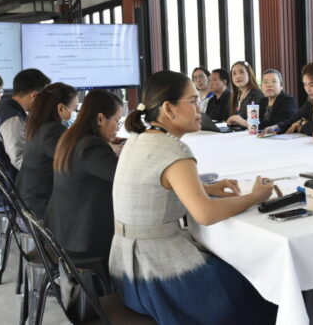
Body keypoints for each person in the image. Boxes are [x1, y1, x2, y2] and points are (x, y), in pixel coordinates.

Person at [110, 70, 277, 324]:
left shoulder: (136, 140)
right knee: (263, 285)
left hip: (125, 273)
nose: (199, 108)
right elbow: (205, 214)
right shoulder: (173, 149)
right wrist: (256, 196)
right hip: (160, 278)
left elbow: (156, 185)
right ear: (169, 109)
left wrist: (206, 188)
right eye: (193, 101)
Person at [46, 89, 123, 266]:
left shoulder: (71, 137)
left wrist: (108, 145)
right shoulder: (91, 147)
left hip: (63, 231)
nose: (117, 128)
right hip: (83, 241)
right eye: (117, 121)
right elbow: (125, 180)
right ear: (100, 119)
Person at [0, 68, 50, 209]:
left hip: (4, 187)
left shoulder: (7, 110)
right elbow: (21, 160)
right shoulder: (11, 118)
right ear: (34, 95)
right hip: (7, 194)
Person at [16, 82, 77, 219]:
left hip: (28, 201)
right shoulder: (52, 131)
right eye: (74, 109)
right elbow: (74, 161)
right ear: (61, 108)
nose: (75, 114)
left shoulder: (39, 126)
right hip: (40, 208)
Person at [226, 61, 264, 127]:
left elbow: (259, 125)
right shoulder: (236, 95)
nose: (238, 76)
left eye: (241, 72)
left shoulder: (256, 94)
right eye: (234, 73)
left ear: (249, 73)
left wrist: (239, 120)